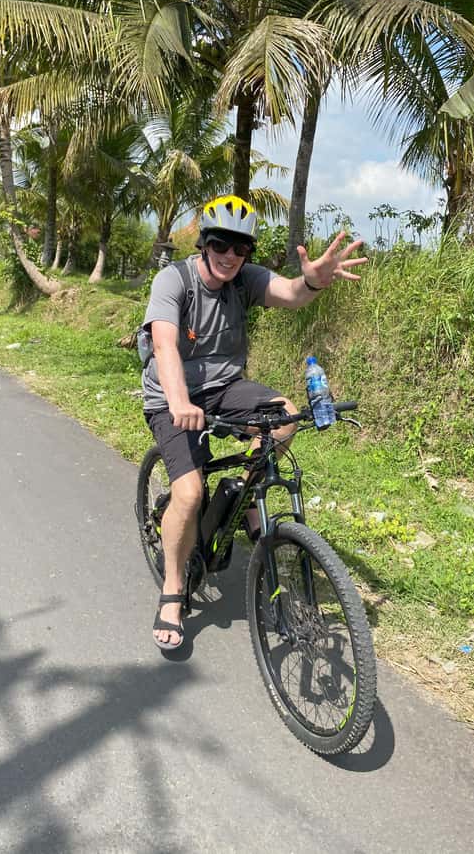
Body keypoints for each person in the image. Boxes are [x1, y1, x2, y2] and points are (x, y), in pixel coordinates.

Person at [141, 195, 366, 649]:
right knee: (189, 492)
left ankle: (244, 494)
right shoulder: (174, 281)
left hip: (226, 388)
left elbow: (290, 293)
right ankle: (172, 590)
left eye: (241, 248)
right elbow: (165, 347)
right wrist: (181, 401)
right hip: (172, 396)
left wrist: (313, 282)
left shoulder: (243, 280)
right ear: (205, 243)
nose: (230, 256)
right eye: (221, 244)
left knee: (282, 418)